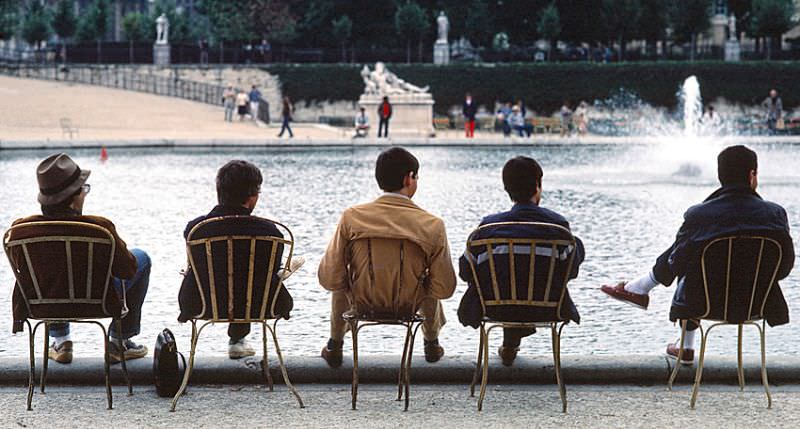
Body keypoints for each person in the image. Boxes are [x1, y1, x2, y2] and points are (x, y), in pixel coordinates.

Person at [600, 145, 794, 364]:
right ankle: (642, 289)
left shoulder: (699, 214)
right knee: (689, 252)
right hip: (757, 302)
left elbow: (678, 263)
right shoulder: (775, 213)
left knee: (687, 255)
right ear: (752, 175)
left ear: (720, 176)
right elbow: (785, 266)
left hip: (704, 302)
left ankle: (680, 337)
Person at [318, 147, 457, 367]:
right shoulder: (432, 225)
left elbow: (329, 278)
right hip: (409, 306)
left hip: (362, 304)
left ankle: (335, 344)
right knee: (430, 277)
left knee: (341, 275)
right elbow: (445, 288)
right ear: (409, 178)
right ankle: (431, 342)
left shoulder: (352, 217)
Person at [10, 153, 151, 364]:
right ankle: (118, 341)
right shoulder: (100, 228)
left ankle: (61, 342)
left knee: (48, 273)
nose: (85, 194)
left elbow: (23, 272)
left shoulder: (21, 231)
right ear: (75, 198)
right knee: (142, 258)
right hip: (97, 301)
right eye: (83, 189)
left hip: (44, 302)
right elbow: (127, 270)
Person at [458, 156, 584, 366]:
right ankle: (511, 343)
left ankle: (509, 343)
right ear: (538, 185)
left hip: (495, 307)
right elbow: (570, 272)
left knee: (507, 277)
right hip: (547, 307)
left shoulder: (487, 228)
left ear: (506, 188)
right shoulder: (557, 226)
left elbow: (465, 271)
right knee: (574, 245)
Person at [178, 160, 294, 359]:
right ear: (252, 198)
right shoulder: (270, 233)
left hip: (202, 302)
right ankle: (237, 339)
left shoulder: (196, 229)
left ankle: (234, 341)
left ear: (219, 191)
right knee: (250, 278)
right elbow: (270, 271)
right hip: (261, 305)